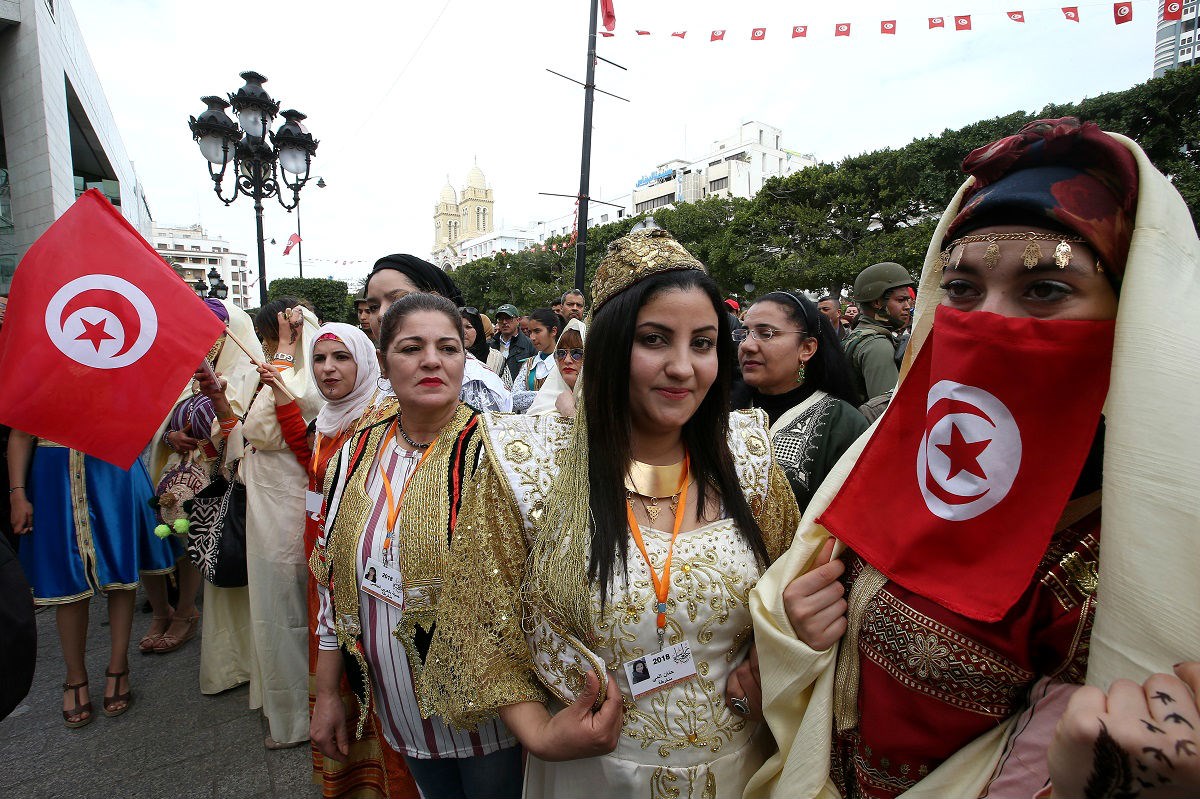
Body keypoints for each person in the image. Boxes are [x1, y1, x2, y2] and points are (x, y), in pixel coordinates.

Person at [746, 118, 1200, 799]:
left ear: (1130, 313)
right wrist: (804, 635)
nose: (987, 320)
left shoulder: (1136, 551)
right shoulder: (898, 451)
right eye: (960, 290)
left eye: (1044, 289)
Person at [421, 229, 801, 797]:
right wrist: (542, 735)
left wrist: (774, 657)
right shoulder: (529, 466)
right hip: (595, 770)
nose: (682, 367)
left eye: (702, 343)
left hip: (740, 764)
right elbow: (478, 623)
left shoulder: (746, 455)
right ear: (609, 347)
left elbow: (790, 586)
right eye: (655, 339)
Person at [310, 293, 522, 799]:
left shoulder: (505, 452)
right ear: (383, 362)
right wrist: (327, 693)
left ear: (463, 359)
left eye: (447, 347)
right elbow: (332, 585)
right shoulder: (355, 452)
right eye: (411, 348)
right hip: (398, 703)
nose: (431, 360)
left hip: (493, 708)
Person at [266, 320, 419, 797]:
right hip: (325, 572)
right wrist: (286, 403)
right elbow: (307, 457)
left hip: (367, 579)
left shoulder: (385, 420)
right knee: (335, 672)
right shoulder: (331, 419)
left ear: (367, 361)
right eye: (319, 359)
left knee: (376, 677)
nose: (328, 369)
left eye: (342, 358)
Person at [8, 428, 177, 727]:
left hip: (111, 468)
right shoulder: (39, 380)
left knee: (120, 572)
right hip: (54, 476)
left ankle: (118, 665)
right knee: (66, 581)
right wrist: (17, 494)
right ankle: (75, 676)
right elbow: (20, 435)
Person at [143, 299, 257, 657]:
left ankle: (189, 614)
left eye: (212, 330)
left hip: (218, 476)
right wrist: (169, 435)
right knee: (166, 536)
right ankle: (169, 609)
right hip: (174, 470)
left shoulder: (250, 371)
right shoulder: (181, 367)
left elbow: (242, 425)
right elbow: (156, 414)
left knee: (204, 540)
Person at [236, 298, 325, 748]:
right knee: (277, 601)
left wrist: (287, 349)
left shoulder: (300, 376)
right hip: (271, 493)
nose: (271, 342)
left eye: (273, 332)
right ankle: (285, 705)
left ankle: (298, 717)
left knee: (288, 603)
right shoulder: (282, 370)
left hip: (288, 497)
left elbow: (262, 427)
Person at [732, 292, 868, 513]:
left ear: (806, 348)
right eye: (744, 333)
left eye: (765, 334)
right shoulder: (723, 410)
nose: (747, 346)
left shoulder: (842, 423)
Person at [365, 255, 511, 412]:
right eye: (373, 307)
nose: (381, 314)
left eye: (398, 300)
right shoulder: (373, 379)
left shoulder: (475, 385)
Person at [843, 262, 914, 405]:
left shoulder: (857, 335)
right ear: (877, 302)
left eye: (908, 300)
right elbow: (887, 411)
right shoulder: (877, 346)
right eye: (900, 300)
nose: (907, 307)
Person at [526, 318, 586, 417]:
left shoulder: (600, 399)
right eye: (561, 353)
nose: (567, 360)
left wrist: (569, 411)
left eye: (576, 353)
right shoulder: (544, 401)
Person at [512, 308, 559, 393]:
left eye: (537, 331)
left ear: (553, 331)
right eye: (530, 332)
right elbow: (514, 397)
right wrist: (549, 395)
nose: (532, 337)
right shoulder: (529, 363)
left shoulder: (564, 361)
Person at [488, 303, 535, 387]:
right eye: (500, 319)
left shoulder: (529, 344)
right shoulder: (490, 345)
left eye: (509, 318)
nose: (504, 322)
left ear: (518, 320)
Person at [460, 305, 507, 379]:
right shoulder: (445, 356)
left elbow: (507, 389)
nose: (463, 332)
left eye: (468, 327)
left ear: (478, 330)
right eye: (458, 327)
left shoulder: (496, 358)